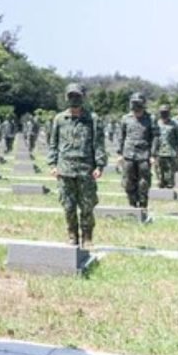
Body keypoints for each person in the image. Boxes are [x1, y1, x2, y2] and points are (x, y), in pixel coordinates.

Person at [47, 84, 106, 248]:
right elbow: (53, 143)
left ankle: (87, 237)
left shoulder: (92, 119)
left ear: (83, 97)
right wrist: (52, 164)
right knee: (68, 206)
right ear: (67, 98)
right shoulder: (59, 119)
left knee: (87, 206)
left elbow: (98, 144)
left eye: (77, 96)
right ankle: (72, 235)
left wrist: (99, 166)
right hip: (65, 169)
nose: (74, 99)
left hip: (85, 170)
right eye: (71, 96)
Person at [117, 92, 155, 209]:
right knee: (128, 181)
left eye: (138, 103)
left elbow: (155, 137)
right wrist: (119, 154)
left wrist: (153, 155)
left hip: (144, 155)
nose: (136, 106)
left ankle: (143, 205)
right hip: (128, 154)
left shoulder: (150, 119)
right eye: (134, 103)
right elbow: (121, 136)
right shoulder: (125, 118)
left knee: (143, 182)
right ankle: (132, 205)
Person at [153, 105, 178, 189]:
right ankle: (161, 184)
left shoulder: (174, 124)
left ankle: (169, 186)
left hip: (170, 151)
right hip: (158, 151)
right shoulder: (156, 124)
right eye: (162, 112)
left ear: (168, 113)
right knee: (159, 170)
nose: (164, 114)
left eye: (165, 112)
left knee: (170, 171)